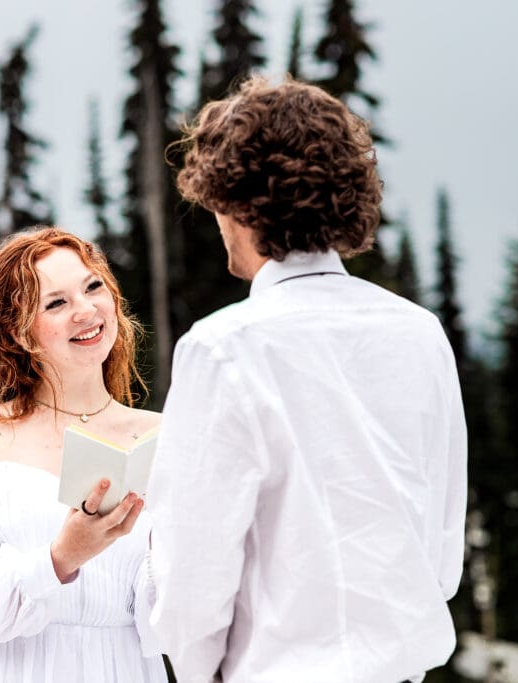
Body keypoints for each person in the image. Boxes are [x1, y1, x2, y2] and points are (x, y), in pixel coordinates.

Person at [145, 76, 468, 682]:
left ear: (237, 202)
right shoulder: (420, 333)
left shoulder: (221, 350)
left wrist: (198, 672)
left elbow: (192, 572)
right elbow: (441, 542)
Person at [0, 227, 167, 682]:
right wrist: (60, 557)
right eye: (56, 303)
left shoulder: (163, 435)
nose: (86, 310)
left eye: (93, 287)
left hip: (125, 668)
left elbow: (179, 615)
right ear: (18, 332)